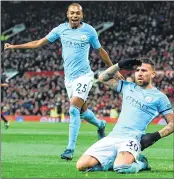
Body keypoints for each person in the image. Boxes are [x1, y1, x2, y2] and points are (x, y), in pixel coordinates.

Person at [4, 3, 123, 160]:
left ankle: (69, 149)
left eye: (77, 13)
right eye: (72, 13)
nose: (75, 16)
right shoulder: (60, 29)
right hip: (69, 79)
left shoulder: (89, 31)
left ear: (82, 15)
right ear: (67, 14)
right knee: (83, 112)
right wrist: (14, 46)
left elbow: (101, 51)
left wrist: (114, 69)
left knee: (73, 109)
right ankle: (100, 125)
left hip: (84, 76)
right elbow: (38, 43)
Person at [76, 58, 174, 173]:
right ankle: (113, 161)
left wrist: (156, 135)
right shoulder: (128, 87)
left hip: (132, 138)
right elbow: (102, 78)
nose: (140, 73)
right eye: (137, 70)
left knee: (121, 168)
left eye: (144, 70)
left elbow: (172, 123)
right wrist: (119, 65)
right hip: (113, 136)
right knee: (81, 165)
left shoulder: (160, 97)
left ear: (152, 74)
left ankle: (142, 163)